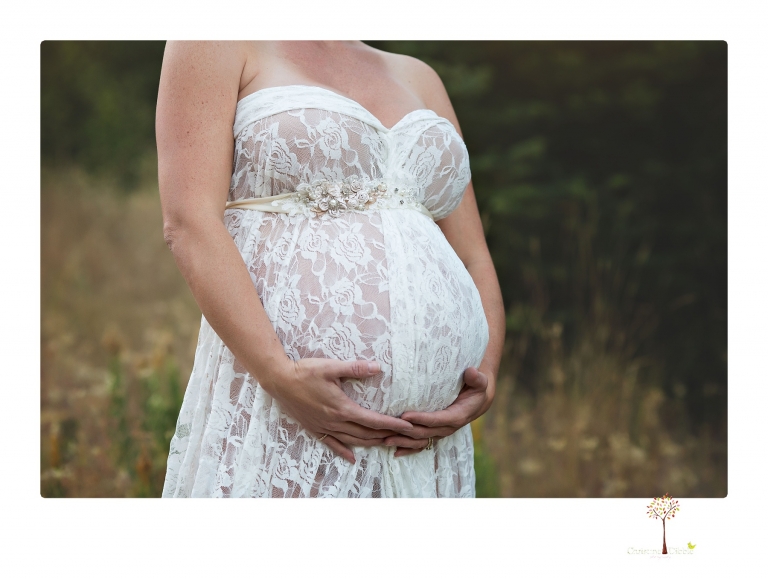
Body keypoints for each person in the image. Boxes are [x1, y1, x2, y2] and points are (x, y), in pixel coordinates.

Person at [156, 41, 505, 497]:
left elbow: (472, 254)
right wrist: (278, 374)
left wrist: (486, 376)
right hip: (288, 407)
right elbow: (190, 223)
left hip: (427, 448)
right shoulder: (217, 40)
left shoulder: (419, 76)